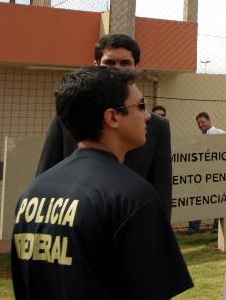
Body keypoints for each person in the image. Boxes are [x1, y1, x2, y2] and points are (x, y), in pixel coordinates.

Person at [11, 66, 193, 299]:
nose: (147, 115)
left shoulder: (32, 194)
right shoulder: (133, 197)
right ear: (113, 117)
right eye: (139, 106)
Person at [36, 34, 173, 220]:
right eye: (109, 63)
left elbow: (161, 190)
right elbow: (46, 176)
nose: (117, 70)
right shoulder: (67, 118)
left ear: (136, 67)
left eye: (125, 63)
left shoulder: (157, 126)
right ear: (96, 65)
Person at [187, 111, 225, 234]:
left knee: (218, 201)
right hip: (202, 175)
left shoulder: (219, 133)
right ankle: (193, 229)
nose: (200, 125)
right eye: (198, 123)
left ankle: (216, 228)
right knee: (198, 201)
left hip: (216, 174)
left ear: (209, 121)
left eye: (202, 122)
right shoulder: (199, 137)